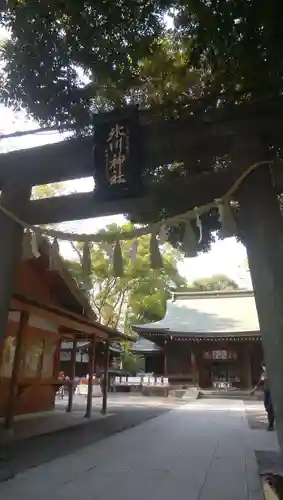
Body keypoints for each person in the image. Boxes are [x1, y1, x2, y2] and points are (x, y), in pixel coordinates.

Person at [251, 363, 275, 431]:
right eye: (263, 366)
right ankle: (272, 416)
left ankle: (271, 425)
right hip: (266, 392)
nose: (264, 368)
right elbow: (260, 382)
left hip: (272, 392)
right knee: (266, 406)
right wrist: (253, 390)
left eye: (265, 366)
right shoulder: (264, 374)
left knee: (270, 407)